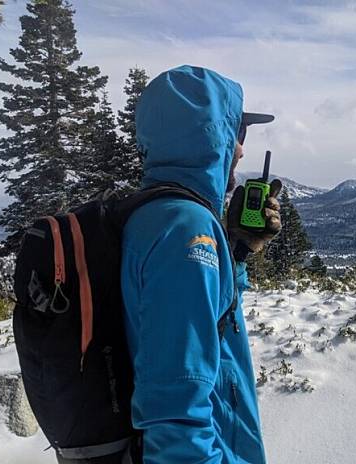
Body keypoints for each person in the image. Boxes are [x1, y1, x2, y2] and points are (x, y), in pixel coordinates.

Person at [121, 65, 282, 463]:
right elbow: (175, 416)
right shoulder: (186, 230)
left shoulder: (154, 214)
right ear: (211, 135)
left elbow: (208, 322)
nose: (241, 149)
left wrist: (238, 251)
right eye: (237, 132)